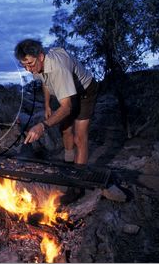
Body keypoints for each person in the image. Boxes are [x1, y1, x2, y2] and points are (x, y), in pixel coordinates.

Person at [14, 39, 99, 204]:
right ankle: (68, 168)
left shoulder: (58, 68)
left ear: (40, 56)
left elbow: (66, 107)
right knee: (65, 130)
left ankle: (77, 186)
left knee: (79, 137)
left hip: (85, 92)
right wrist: (47, 104)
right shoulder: (37, 65)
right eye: (23, 65)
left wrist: (42, 126)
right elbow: (46, 81)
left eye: (30, 64)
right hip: (65, 91)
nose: (28, 69)